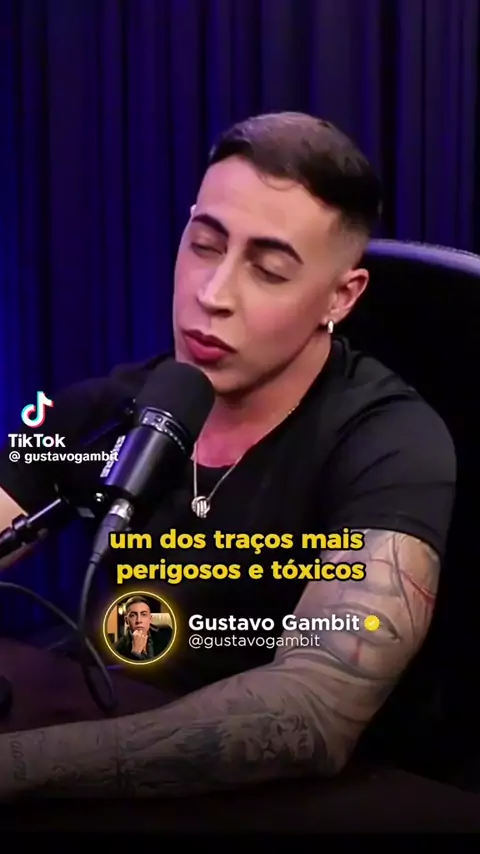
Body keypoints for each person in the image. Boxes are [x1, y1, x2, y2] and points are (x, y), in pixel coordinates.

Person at [0, 112, 455, 799]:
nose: (211, 296)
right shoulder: (108, 406)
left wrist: (21, 765)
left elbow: (314, 707)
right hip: (108, 736)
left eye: (268, 271)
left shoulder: (393, 442)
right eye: (205, 245)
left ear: (341, 296)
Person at [114, 597, 173, 662]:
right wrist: (135, 652)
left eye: (143, 614)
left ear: (150, 619)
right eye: (133, 615)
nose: (139, 620)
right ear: (126, 620)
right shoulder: (117, 649)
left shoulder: (167, 634)